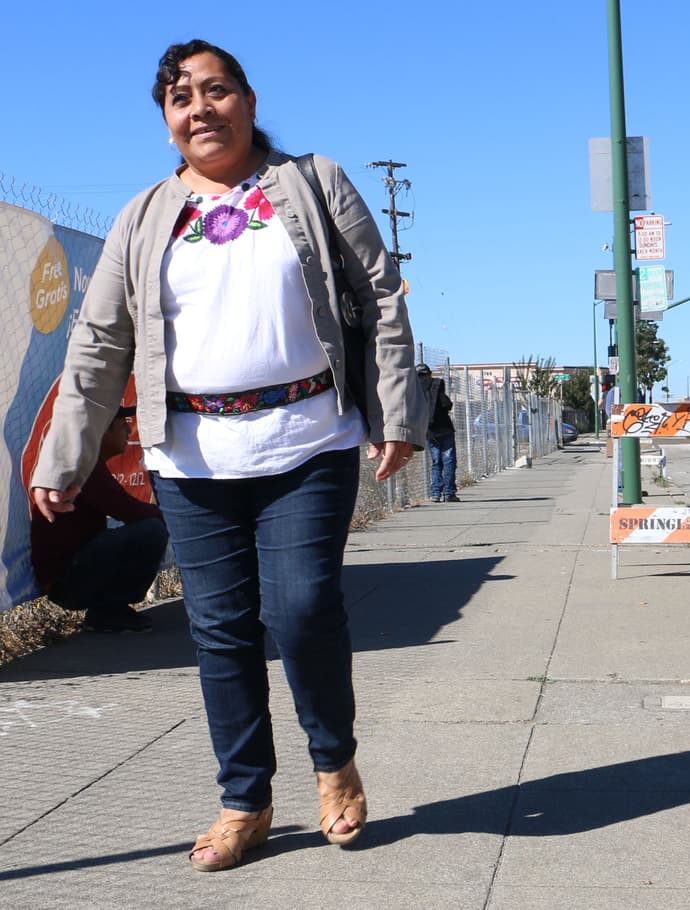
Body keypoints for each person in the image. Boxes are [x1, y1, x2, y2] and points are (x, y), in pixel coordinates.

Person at [30, 40, 425, 873]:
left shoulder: (312, 182)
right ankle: (245, 797)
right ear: (167, 120)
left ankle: (333, 761)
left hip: (309, 435)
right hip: (193, 456)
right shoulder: (144, 216)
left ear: (247, 100)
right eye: (180, 97)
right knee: (218, 630)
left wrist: (397, 412)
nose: (200, 107)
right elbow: (100, 340)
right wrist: (63, 457)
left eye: (216, 90)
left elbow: (378, 296)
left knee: (302, 606)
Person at [30, 405, 168, 633]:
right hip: (66, 580)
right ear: (103, 431)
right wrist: (178, 519)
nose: (129, 433)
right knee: (151, 530)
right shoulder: (83, 465)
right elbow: (128, 510)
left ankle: (107, 609)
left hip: (72, 571)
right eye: (123, 426)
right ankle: (108, 611)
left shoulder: (86, 461)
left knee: (148, 527)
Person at [417, 364, 458, 502]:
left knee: (436, 463)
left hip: (429, 431)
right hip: (445, 429)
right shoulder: (437, 385)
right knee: (449, 461)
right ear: (429, 374)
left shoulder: (415, 391)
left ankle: (435, 493)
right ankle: (449, 493)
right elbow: (447, 404)